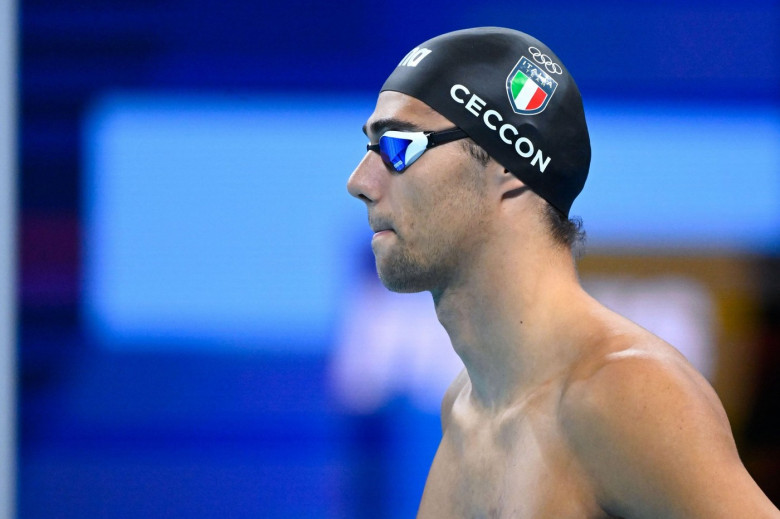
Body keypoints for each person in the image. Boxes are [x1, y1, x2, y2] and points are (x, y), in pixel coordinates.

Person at [346, 27, 780, 518]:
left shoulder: (623, 393)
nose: (359, 181)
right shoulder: (467, 407)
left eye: (399, 146)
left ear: (509, 164)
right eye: (367, 147)